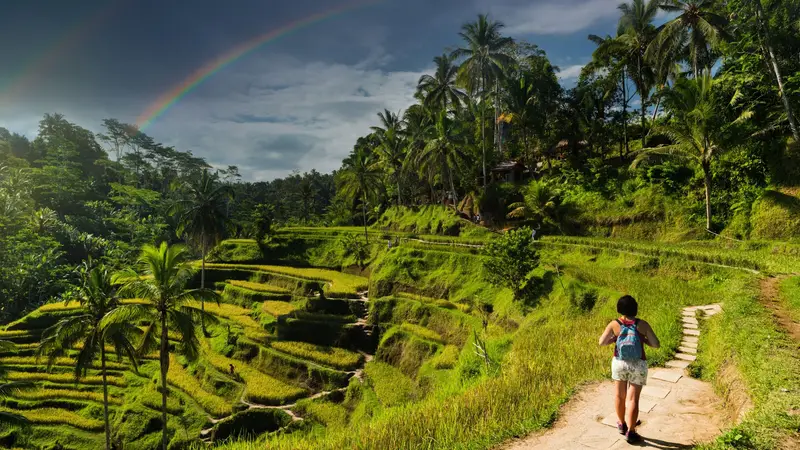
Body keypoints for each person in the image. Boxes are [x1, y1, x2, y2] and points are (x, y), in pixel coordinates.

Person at [598, 295, 660, 443]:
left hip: (619, 362)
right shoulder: (642, 324)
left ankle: (621, 424)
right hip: (638, 364)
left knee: (619, 396)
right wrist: (643, 339)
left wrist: (614, 338)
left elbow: (602, 342)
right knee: (633, 399)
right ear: (635, 308)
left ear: (619, 309)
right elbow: (656, 344)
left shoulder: (614, 324)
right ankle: (631, 432)